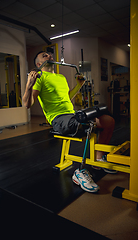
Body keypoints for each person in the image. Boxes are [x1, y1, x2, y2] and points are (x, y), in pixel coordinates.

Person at [23, 51, 115, 193]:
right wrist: (29, 85)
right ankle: (80, 172)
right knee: (87, 123)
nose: (49, 56)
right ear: (38, 64)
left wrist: (79, 85)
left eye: (49, 54)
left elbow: (67, 97)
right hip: (58, 118)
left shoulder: (61, 77)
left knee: (108, 120)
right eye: (44, 55)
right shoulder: (40, 78)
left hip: (72, 114)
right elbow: (27, 104)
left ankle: (98, 158)